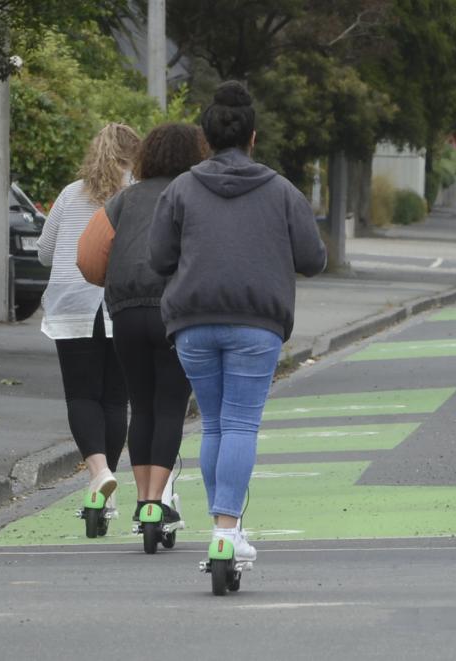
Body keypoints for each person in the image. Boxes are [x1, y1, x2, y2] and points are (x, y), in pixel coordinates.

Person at [149, 81, 327, 561]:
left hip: (192, 322)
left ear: (205, 138)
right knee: (241, 424)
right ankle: (228, 533)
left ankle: (224, 528)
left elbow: (158, 258)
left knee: (214, 425)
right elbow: (313, 258)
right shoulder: (283, 191)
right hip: (257, 323)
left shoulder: (181, 189)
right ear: (253, 137)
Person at [77, 123, 208, 526]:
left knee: (142, 407)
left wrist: (114, 284)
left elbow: (87, 256)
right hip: (176, 313)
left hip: (128, 313)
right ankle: (156, 503)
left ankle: (141, 500)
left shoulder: (123, 200)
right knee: (170, 406)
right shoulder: (196, 196)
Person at [37, 123, 141, 527]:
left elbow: (45, 253)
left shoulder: (70, 193)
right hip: (119, 301)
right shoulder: (136, 194)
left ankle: (99, 474)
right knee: (115, 399)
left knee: (81, 395)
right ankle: (105, 488)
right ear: (135, 155)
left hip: (71, 300)